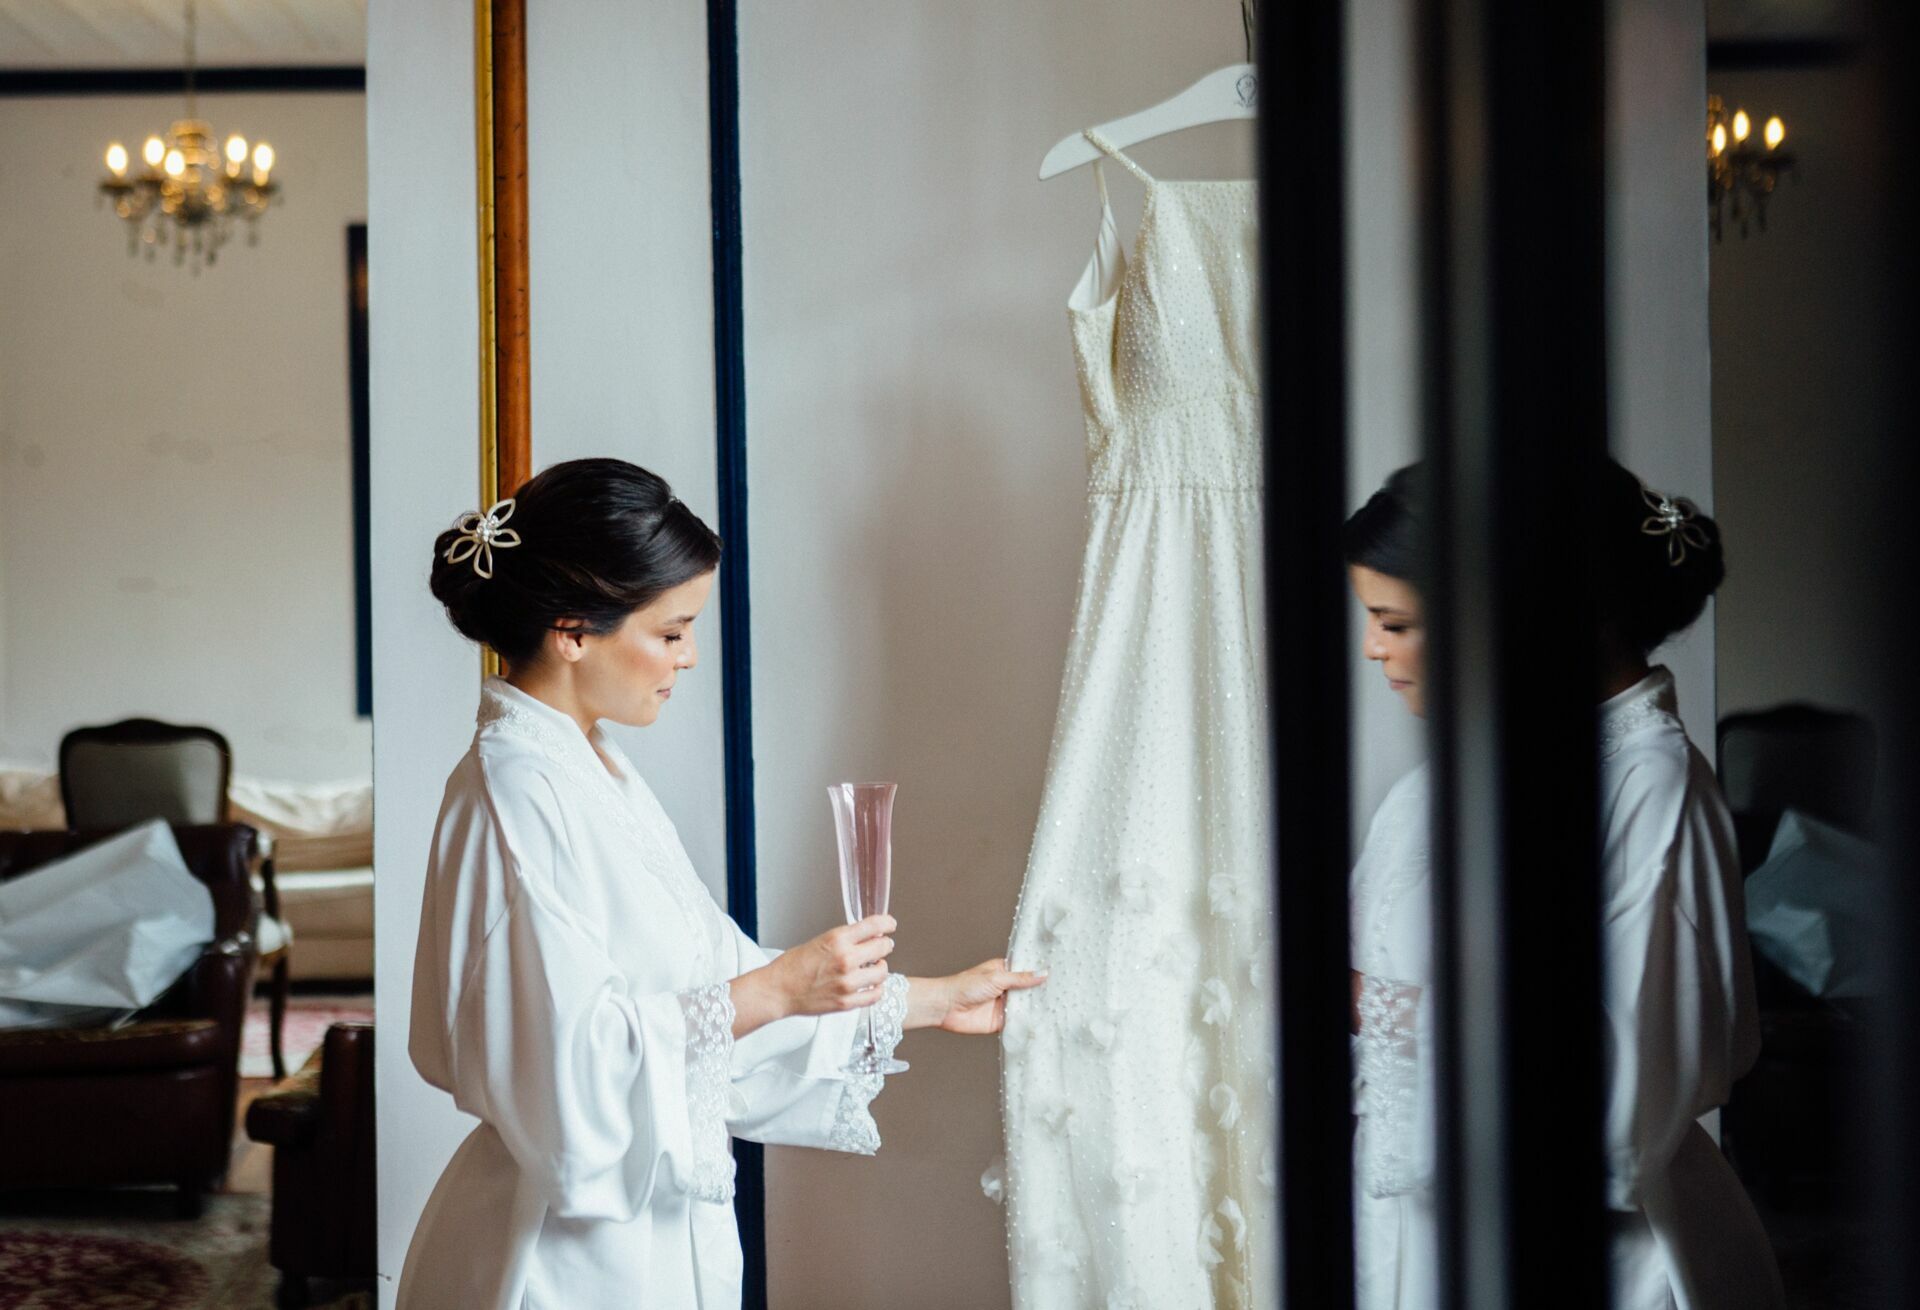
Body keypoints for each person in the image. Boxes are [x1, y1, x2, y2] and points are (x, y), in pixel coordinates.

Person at [396, 458, 1043, 1310]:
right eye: (670, 632)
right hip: (559, 1264)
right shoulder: (515, 792)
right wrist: (774, 988)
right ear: (573, 630)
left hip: (653, 1244)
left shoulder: (594, 770)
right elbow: (561, 1068)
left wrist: (932, 1000)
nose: (691, 658)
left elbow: (711, 994)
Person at [1342, 460, 1784, 1309]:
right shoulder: (1451, 778)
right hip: (1422, 1231)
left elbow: (1622, 1065)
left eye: (1395, 622)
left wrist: (1365, 998)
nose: (1372, 648)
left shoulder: (1649, 790)